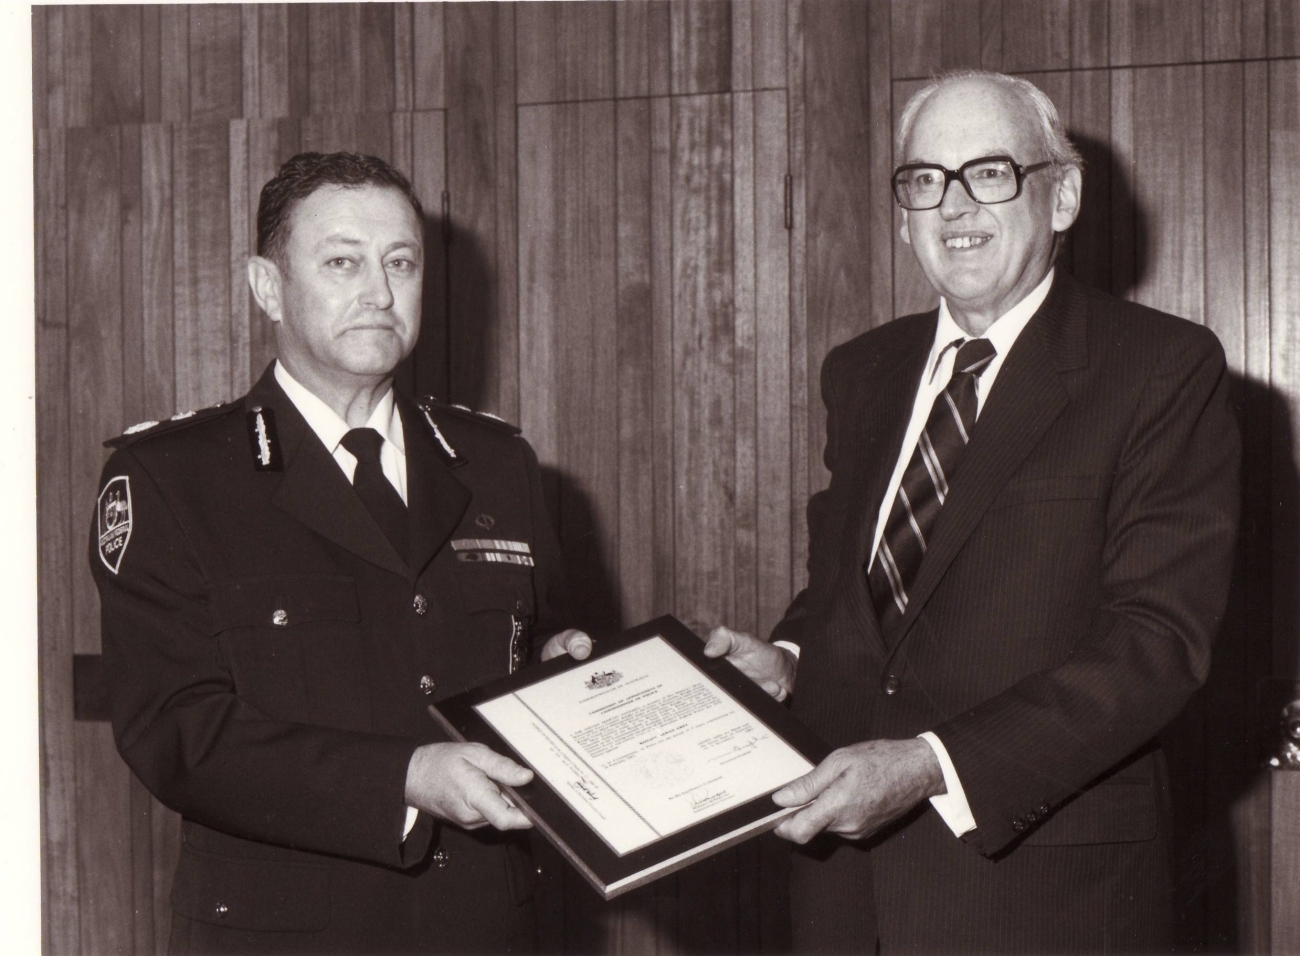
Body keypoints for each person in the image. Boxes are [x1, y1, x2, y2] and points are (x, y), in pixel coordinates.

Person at [706, 70, 1240, 952]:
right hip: (844, 898)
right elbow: (856, 590)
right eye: (924, 180)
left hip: (1040, 897)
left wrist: (932, 765)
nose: (954, 207)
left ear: (1061, 194)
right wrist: (791, 658)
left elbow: (1156, 644)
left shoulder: (1158, 370)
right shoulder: (864, 373)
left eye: (989, 173)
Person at [90, 152, 592, 954]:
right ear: (267, 287)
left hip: (484, 923)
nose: (380, 293)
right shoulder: (173, 478)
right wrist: (404, 777)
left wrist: (570, 671)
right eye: (341, 262)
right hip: (285, 934)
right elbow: (178, 732)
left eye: (401, 263)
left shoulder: (496, 462)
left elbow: (534, 649)